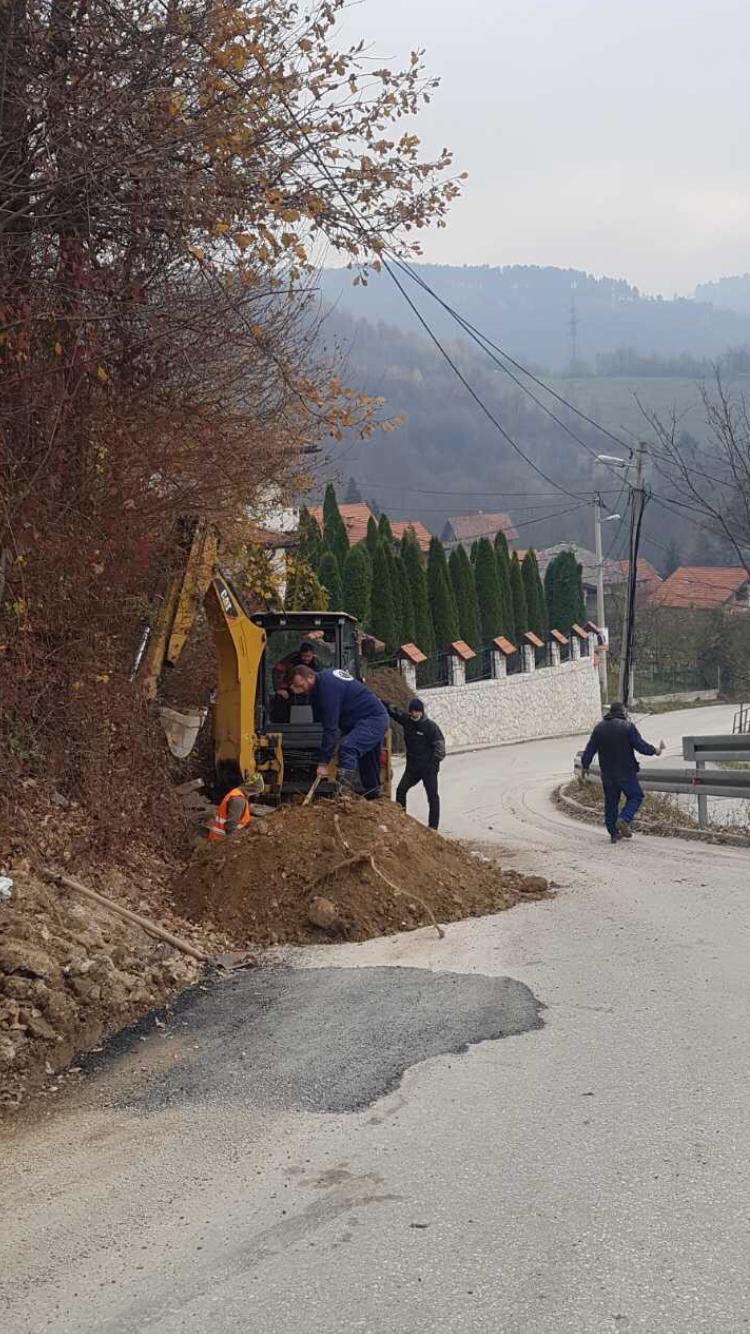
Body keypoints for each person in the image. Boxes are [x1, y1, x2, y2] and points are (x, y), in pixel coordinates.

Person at [289, 665, 389, 798]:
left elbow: (331, 728)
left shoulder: (327, 687)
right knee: (368, 764)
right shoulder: (322, 685)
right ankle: (374, 796)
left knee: (348, 747)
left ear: (311, 677)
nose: (299, 691)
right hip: (362, 721)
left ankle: (344, 796)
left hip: (373, 719)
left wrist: (323, 763)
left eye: (301, 686)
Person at [580, 702, 665, 842]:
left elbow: (590, 749)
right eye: (626, 712)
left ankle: (613, 833)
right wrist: (655, 750)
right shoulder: (627, 727)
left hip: (607, 773)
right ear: (622, 712)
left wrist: (585, 766)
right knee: (636, 796)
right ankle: (624, 819)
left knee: (611, 802)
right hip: (626, 772)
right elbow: (640, 746)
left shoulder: (599, 728)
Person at [386, 697, 445, 830]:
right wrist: (379, 701)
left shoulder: (430, 727)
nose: (415, 714)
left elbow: (440, 748)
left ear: (421, 712)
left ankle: (433, 827)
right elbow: (394, 711)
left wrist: (433, 764)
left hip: (428, 769)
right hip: (412, 768)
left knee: (432, 796)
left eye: (417, 711)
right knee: (401, 790)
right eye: (412, 711)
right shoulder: (407, 721)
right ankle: (401, 819)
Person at [207, 769, 264, 842]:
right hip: (220, 840)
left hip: (219, 837)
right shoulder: (238, 800)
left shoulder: (237, 794)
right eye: (257, 792)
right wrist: (234, 842)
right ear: (253, 789)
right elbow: (231, 824)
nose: (256, 795)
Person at [271, 640, 320, 722]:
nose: (306, 659)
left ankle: (318, 723)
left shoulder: (317, 663)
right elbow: (277, 670)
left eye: (309, 656)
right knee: (280, 699)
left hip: (310, 690)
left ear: (313, 655)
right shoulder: (291, 660)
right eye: (304, 656)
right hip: (291, 689)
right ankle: (282, 725)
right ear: (300, 654)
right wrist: (279, 688)